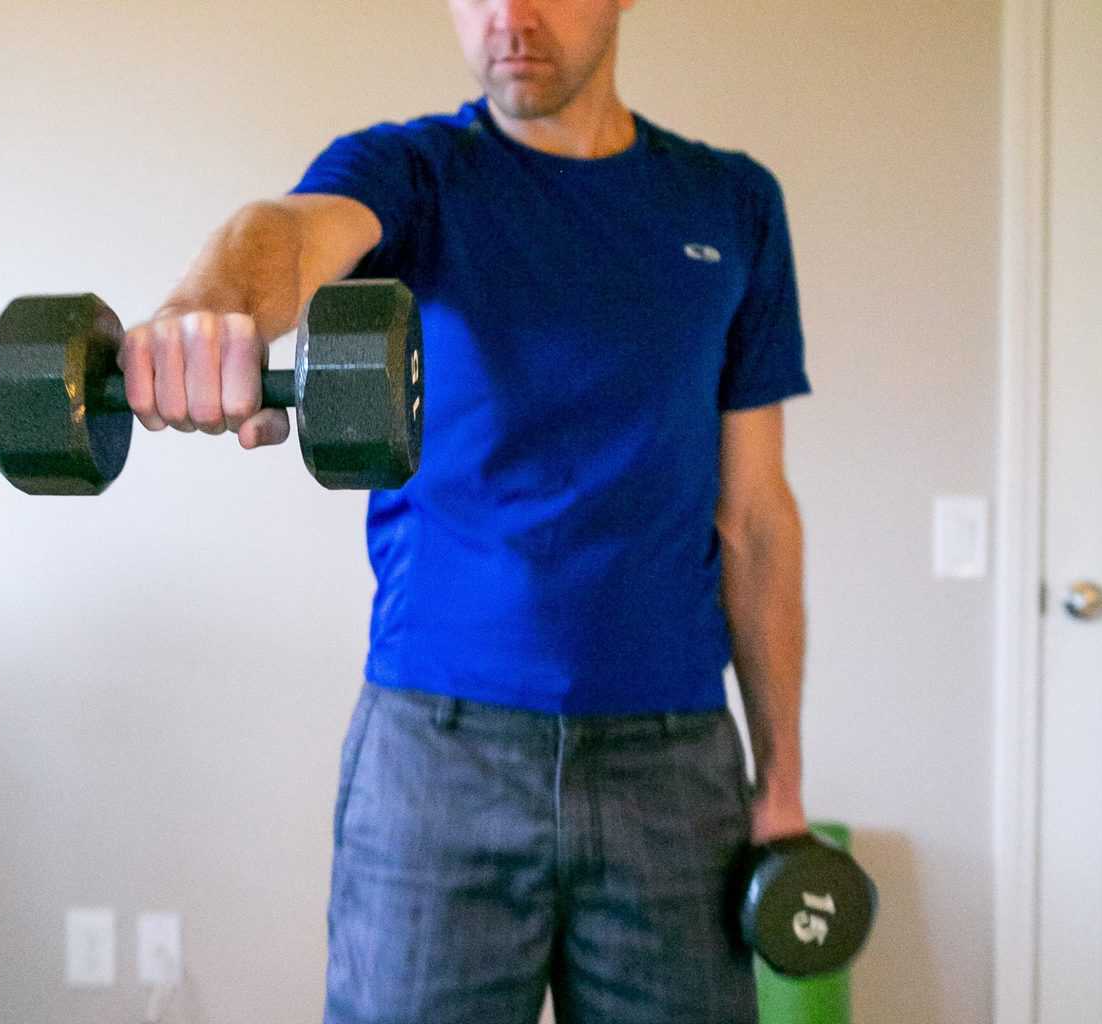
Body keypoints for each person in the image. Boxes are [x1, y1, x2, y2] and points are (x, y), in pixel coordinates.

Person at [117, 0, 811, 1020]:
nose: (509, 15)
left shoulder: (732, 204)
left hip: (672, 766)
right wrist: (206, 306)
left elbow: (755, 519)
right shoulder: (412, 175)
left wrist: (782, 780)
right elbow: (287, 236)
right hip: (439, 758)